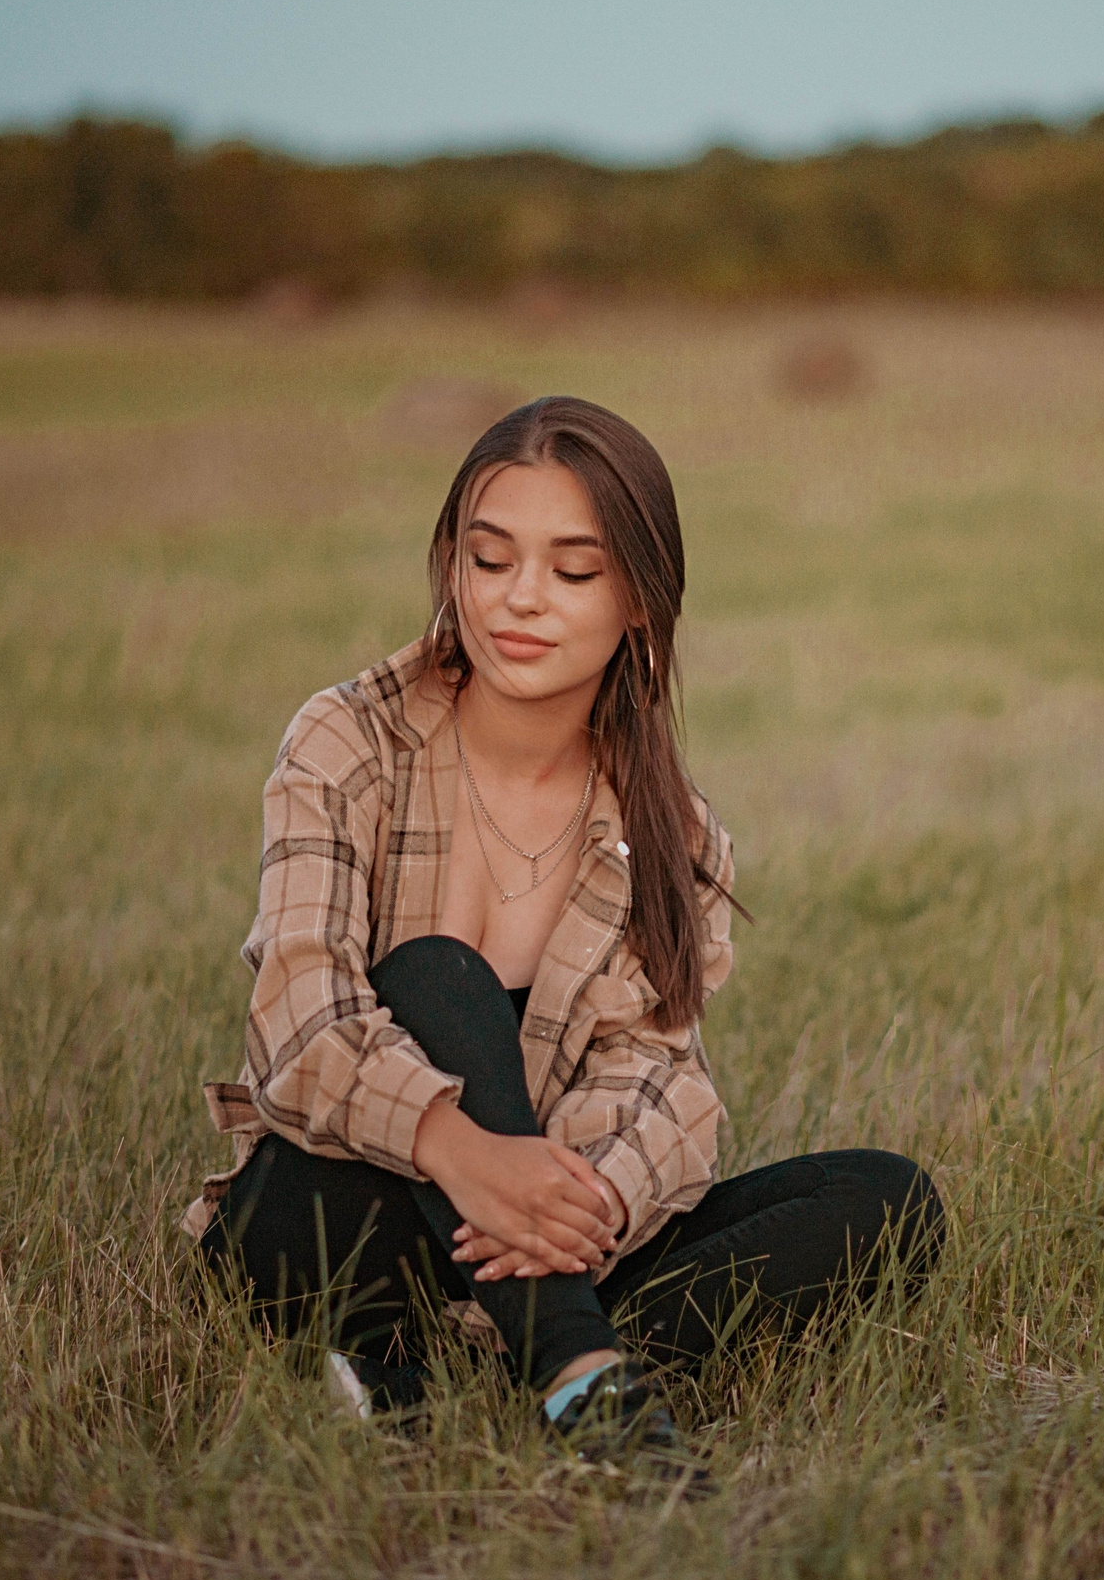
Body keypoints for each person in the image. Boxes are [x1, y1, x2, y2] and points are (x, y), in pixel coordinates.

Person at [184, 396, 941, 1486]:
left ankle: (472, 1355)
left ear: (639, 600)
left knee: (887, 1196)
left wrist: (571, 1208)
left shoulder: (671, 831)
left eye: (572, 571)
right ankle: (585, 1371)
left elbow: (662, 1085)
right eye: (490, 559)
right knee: (435, 979)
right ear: (454, 565)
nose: (520, 598)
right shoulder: (348, 738)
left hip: (543, 1225)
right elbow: (299, 1022)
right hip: (349, 1204)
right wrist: (464, 1153)